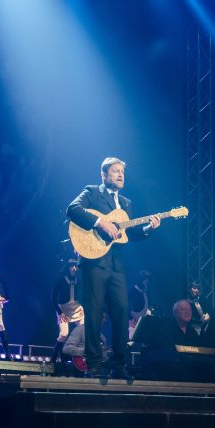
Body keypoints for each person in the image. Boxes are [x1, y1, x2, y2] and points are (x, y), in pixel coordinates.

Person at [66, 157, 160, 378]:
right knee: (94, 313)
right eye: (115, 171)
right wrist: (100, 223)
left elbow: (130, 234)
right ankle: (94, 364)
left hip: (117, 264)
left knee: (121, 312)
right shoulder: (92, 192)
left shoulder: (126, 203)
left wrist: (148, 228)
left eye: (122, 172)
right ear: (104, 175)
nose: (120, 175)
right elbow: (73, 209)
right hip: (94, 261)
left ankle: (119, 364)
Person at [51, 258, 84, 364]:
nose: (74, 268)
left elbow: (84, 295)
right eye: (72, 266)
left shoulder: (79, 279)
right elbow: (53, 298)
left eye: (76, 266)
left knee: (84, 332)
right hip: (63, 310)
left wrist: (83, 308)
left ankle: (78, 359)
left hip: (77, 309)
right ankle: (53, 359)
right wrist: (60, 313)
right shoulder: (61, 279)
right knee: (64, 334)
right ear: (68, 267)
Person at [128, 270, 152, 340]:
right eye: (146, 278)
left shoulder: (146, 291)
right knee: (131, 339)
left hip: (144, 319)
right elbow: (127, 305)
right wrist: (131, 316)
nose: (147, 281)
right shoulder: (132, 291)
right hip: (133, 320)